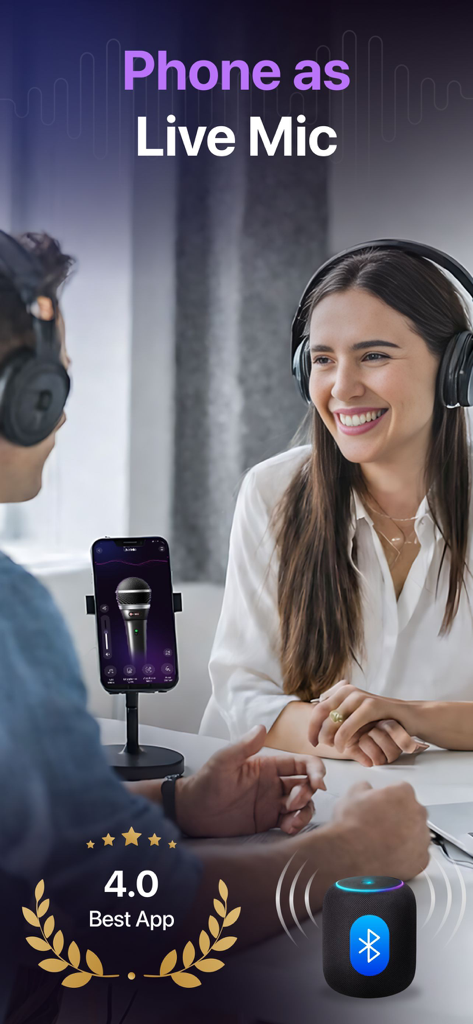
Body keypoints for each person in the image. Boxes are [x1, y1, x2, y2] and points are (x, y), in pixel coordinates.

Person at [0, 232, 430, 1021]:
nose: (64, 390)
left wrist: (176, 806)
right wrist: (350, 854)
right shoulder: (10, 613)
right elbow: (126, 915)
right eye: (50, 371)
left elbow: (30, 835)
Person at [204, 242, 473, 766]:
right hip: (283, 800)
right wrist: (344, 731)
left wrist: (412, 715)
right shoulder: (272, 491)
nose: (342, 388)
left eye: (373, 355)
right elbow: (240, 687)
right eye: (323, 360)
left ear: (455, 369)